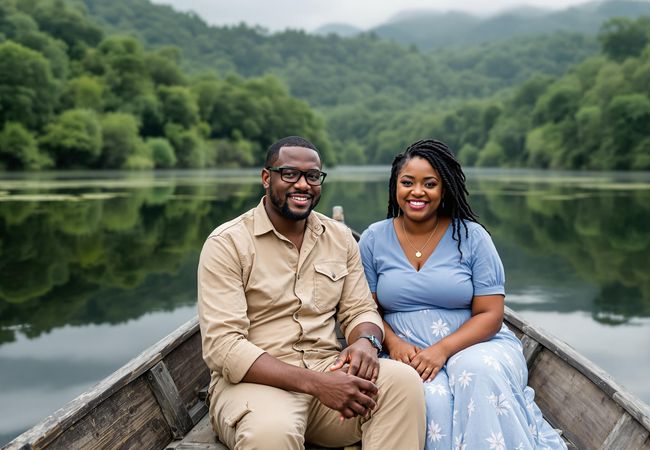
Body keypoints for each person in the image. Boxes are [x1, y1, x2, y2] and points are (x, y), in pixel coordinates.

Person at [198, 136, 425, 450]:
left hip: (327, 375)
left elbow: (360, 310)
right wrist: (318, 384)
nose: (303, 184)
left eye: (313, 176)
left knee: (402, 382)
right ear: (266, 178)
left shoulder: (340, 238)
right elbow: (223, 347)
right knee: (272, 433)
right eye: (289, 174)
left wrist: (366, 341)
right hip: (254, 385)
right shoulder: (227, 243)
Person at [358, 139, 567, 450]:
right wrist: (394, 343)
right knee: (432, 399)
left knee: (478, 373)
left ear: (444, 189)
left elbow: (491, 314)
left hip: (474, 343)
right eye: (408, 182)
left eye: (430, 184)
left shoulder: (472, 237)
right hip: (406, 350)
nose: (417, 192)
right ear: (395, 186)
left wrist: (442, 350)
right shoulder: (374, 239)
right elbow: (365, 310)